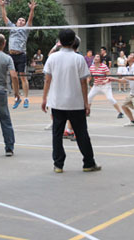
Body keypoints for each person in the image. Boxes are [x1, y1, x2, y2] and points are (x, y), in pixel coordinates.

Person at [41, 29, 101, 174]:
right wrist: (86, 103)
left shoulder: (52, 58)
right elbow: (83, 83)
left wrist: (44, 99)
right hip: (76, 103)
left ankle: (58, 165)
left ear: (59, 42)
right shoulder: (78, 59)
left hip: (57, 103)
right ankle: (88, 163)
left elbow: (47, 80)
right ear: (73, 41)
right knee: (82, 134)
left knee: (57, 134)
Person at [0, 0, 36, 109]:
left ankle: (26, 98)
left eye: (23, 20)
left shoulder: (26, 29)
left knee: (23, 77)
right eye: (20, 20)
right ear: (16, 22)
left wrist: (32, 9)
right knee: (13, 77)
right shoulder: (12, 27)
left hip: (21, 55)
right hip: (11, 55)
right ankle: (17, 97)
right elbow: (4, 17)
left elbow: (30, 19)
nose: (21, 21)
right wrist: (2, 6)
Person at [89, 54, 124, 119]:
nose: (95, 58)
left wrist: (105, 81)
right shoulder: (91, 67)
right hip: (96, 85)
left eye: (97, 57)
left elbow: (109, 76)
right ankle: (87, 112)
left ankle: (120, 113)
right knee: (89, 97)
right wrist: (87, 83)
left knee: (110, 98)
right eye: (95, 57)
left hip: (105, 85)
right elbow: (90, 77)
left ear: (100, 59)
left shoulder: (104, 66)